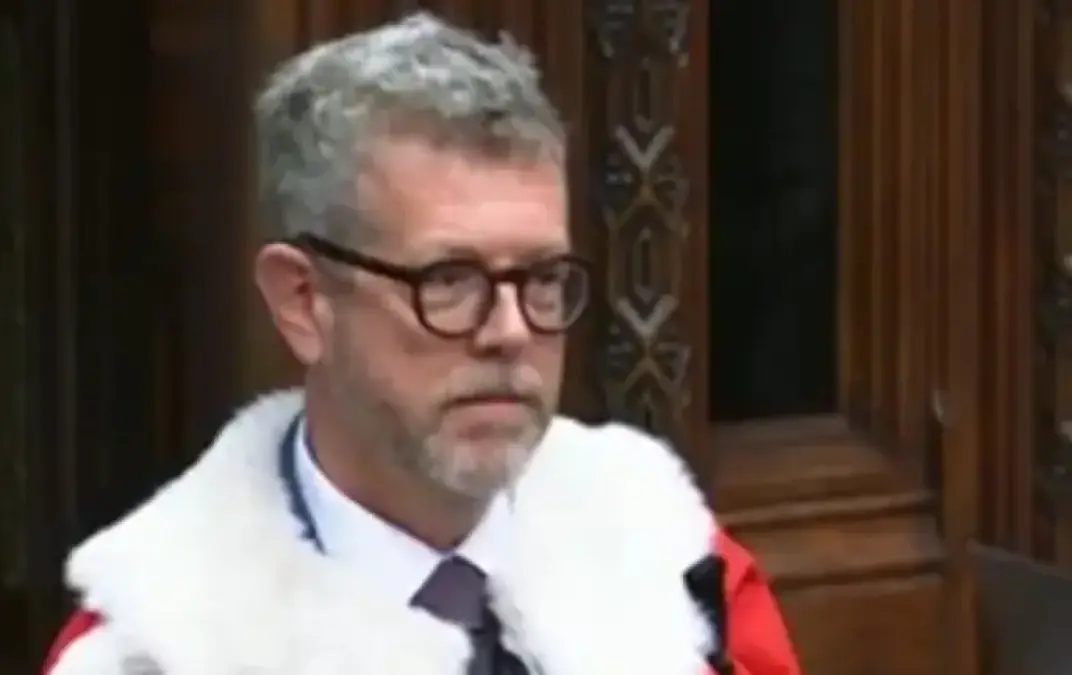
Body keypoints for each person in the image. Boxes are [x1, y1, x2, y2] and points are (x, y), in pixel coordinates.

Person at [42, 12, 800, 675]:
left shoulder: (680, 578)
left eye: (541, 277)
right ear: (303, 301)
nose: (510, 331)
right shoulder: (153, 651)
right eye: (450, 280)